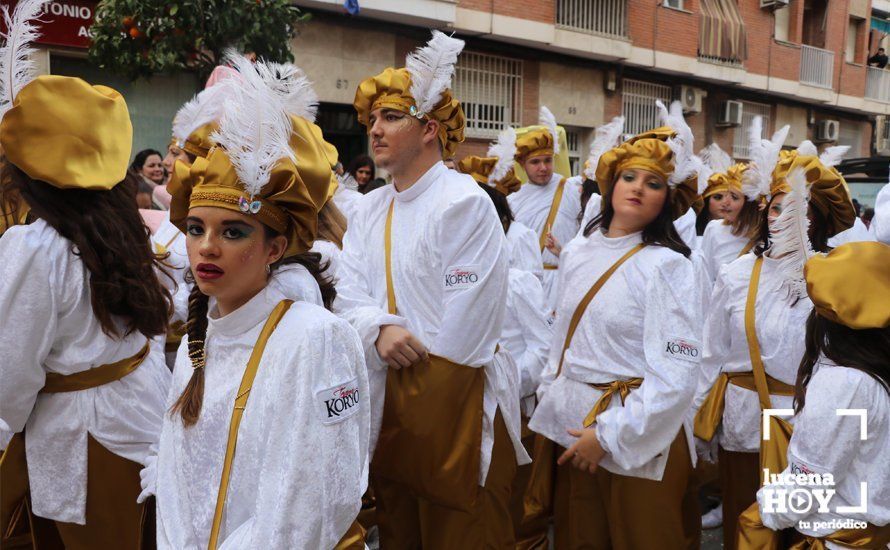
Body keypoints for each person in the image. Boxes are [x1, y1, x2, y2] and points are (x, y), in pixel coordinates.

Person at [149, 55, 369, 549]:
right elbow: (179, 483)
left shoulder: (315, 338)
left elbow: (312, 504)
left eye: (232, 231)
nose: (207, 246)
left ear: (274, 249)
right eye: (195, 229)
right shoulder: (195, 346)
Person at [337, 31, 528, 548]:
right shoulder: (371, 206)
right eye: (371, 119)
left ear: (430, 129)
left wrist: (422, 400)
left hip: (454, 406)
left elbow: (467, 325)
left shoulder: (463, 202)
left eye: (390, 117)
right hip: (386, 396)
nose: (374, 130)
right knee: (400, 535)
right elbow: (346, 291)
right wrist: (378, 330)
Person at [0, 4, 172, 546]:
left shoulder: (36, 246)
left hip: (85, 437)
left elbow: (11, 372)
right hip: (141, 412)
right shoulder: (123, 226)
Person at [528, 100, 703, 549]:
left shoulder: (669, 265)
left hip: (638, 431)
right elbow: (560, 338)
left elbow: (677, 375)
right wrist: (553, 396)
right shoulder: (577, 253)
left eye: (654, 183)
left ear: (668, 199)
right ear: (610, 184)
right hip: (574, 426)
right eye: (629, 177)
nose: (638, 188)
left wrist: (609, 435)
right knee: (579, 538)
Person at [693, 137, 857, 549]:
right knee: (744, 526)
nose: (783, 218)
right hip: (746, 424)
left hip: (812, 431)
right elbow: (711, 352)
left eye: (798, 209)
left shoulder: (836, 280)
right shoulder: (735, 274)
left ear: (817, 221)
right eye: (777, 207)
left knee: (805, 534)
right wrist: (698, 423)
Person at [738, 241, 890, 547]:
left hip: (834, 539)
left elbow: (809, 485)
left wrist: (766, 510)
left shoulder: (843, 383)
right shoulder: (875, 371)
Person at [457, 132, 553, 548]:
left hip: (514, 407)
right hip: (462, 408)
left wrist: (513, 383)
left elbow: (542, 348)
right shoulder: (449, 283)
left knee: (513, 501)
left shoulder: (517, 283)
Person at [508, 106, 580, 314]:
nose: (543, 167)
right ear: (523, 164)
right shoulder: (513, 201)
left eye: (547, 160)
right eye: (535, 162)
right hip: (529, 285)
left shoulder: (571, 189)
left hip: (565, 279)